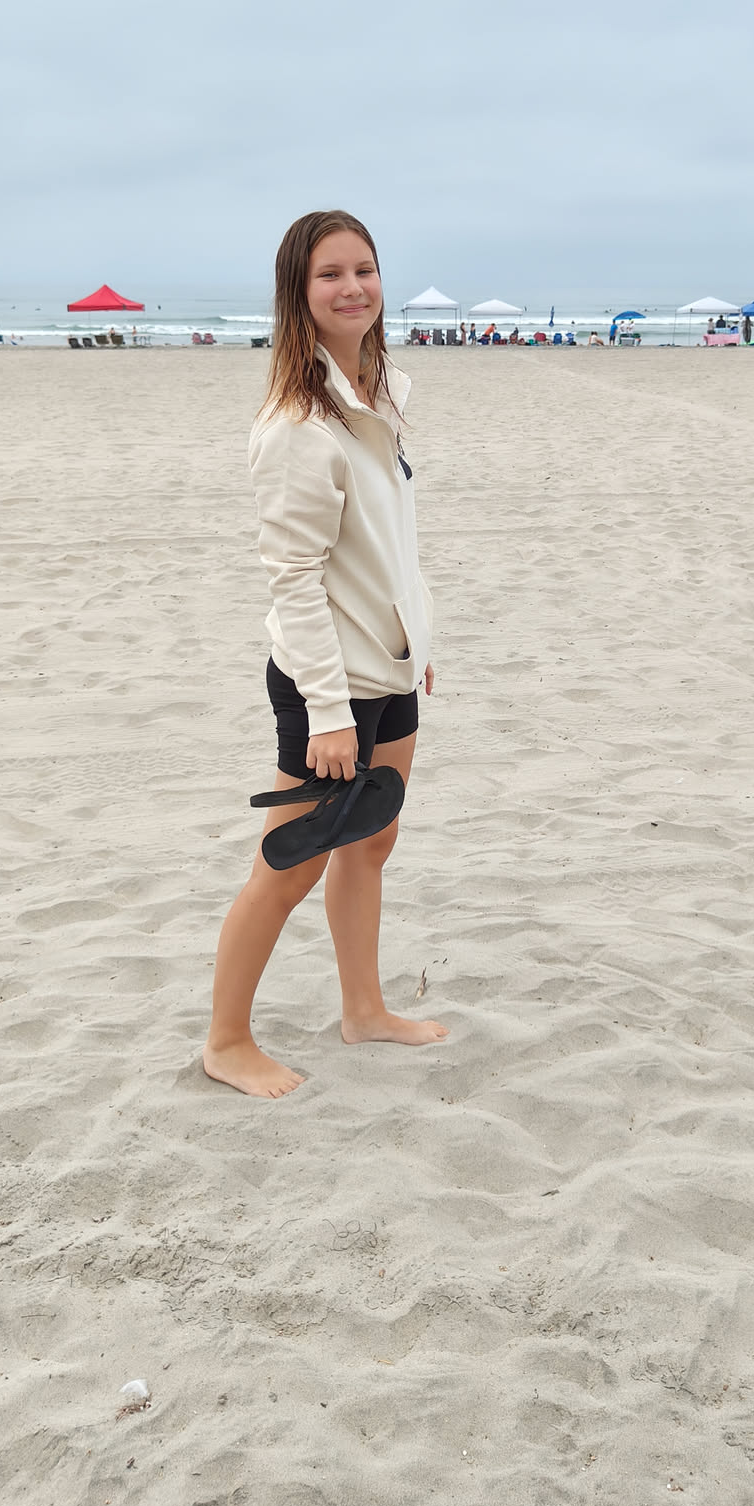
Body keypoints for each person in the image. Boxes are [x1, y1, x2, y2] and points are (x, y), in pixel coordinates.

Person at [204, 210, 445, 1099]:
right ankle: (226, 1041)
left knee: (372, 843)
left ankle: (364, 1010)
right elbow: (294, 581)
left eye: (364, 270)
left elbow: (389, 545)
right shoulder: (297, 426)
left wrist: (418, 639)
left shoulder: (378, 397)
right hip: (327, 686)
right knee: (289, 864)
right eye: (330, 275)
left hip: (390, 667)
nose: (353, 288)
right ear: (297, 295)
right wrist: (329, 712)